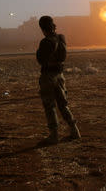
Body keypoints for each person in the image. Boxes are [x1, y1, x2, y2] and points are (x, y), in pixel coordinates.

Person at [36, 15, 81, 144]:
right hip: (60, 76)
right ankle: (74, 130)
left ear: (42, 28)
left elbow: (40, 59)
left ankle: (54, 135)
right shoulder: (61, 38)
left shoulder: (45, 42)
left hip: (48, 76)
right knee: (63, 105)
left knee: (50, 106)